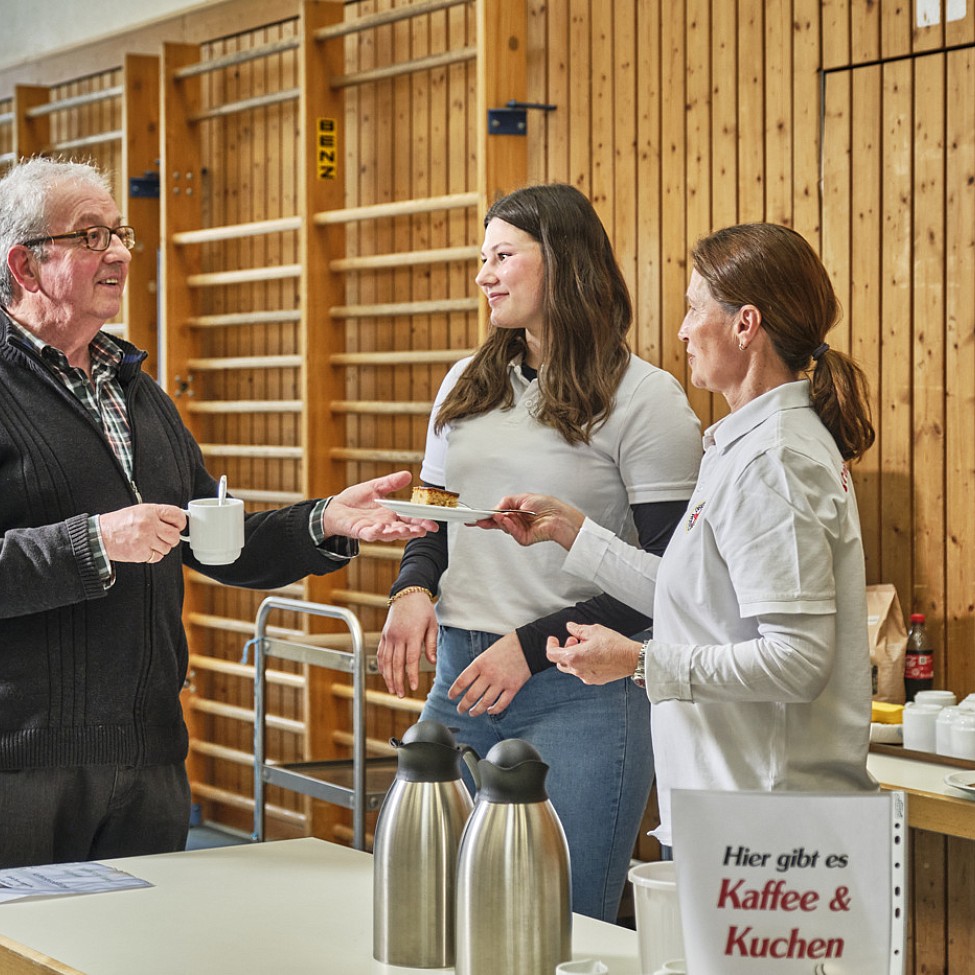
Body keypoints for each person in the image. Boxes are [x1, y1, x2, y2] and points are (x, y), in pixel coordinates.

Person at [0, 157, 436, 869]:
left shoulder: (136, 393)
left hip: (149, 760)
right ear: (25, 263)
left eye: (119, 233)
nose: (116, 252)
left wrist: (323, 520)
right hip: (19, 768)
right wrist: (94, 541)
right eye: (89, 236)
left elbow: (211, 537)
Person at [491, 222, 879, 857]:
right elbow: (691, 596)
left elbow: (798, 661)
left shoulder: (775, 460)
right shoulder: (745, 443)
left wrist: (641, 662)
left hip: (768, 820)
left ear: (744, 324)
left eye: (695, 306)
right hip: (733, 808)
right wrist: (574, 533)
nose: (681, 328)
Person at [376, 183, 702, 921]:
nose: (482, 274)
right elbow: (431, 513)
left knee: (560, 921)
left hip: (580, 693)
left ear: (560, 259)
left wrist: (528, 646)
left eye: (501, 255)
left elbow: (672, 581)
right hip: (462, 676)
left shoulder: (647, 400)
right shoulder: (465, 381)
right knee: (424, 911)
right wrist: (412, 590)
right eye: (480, 258)